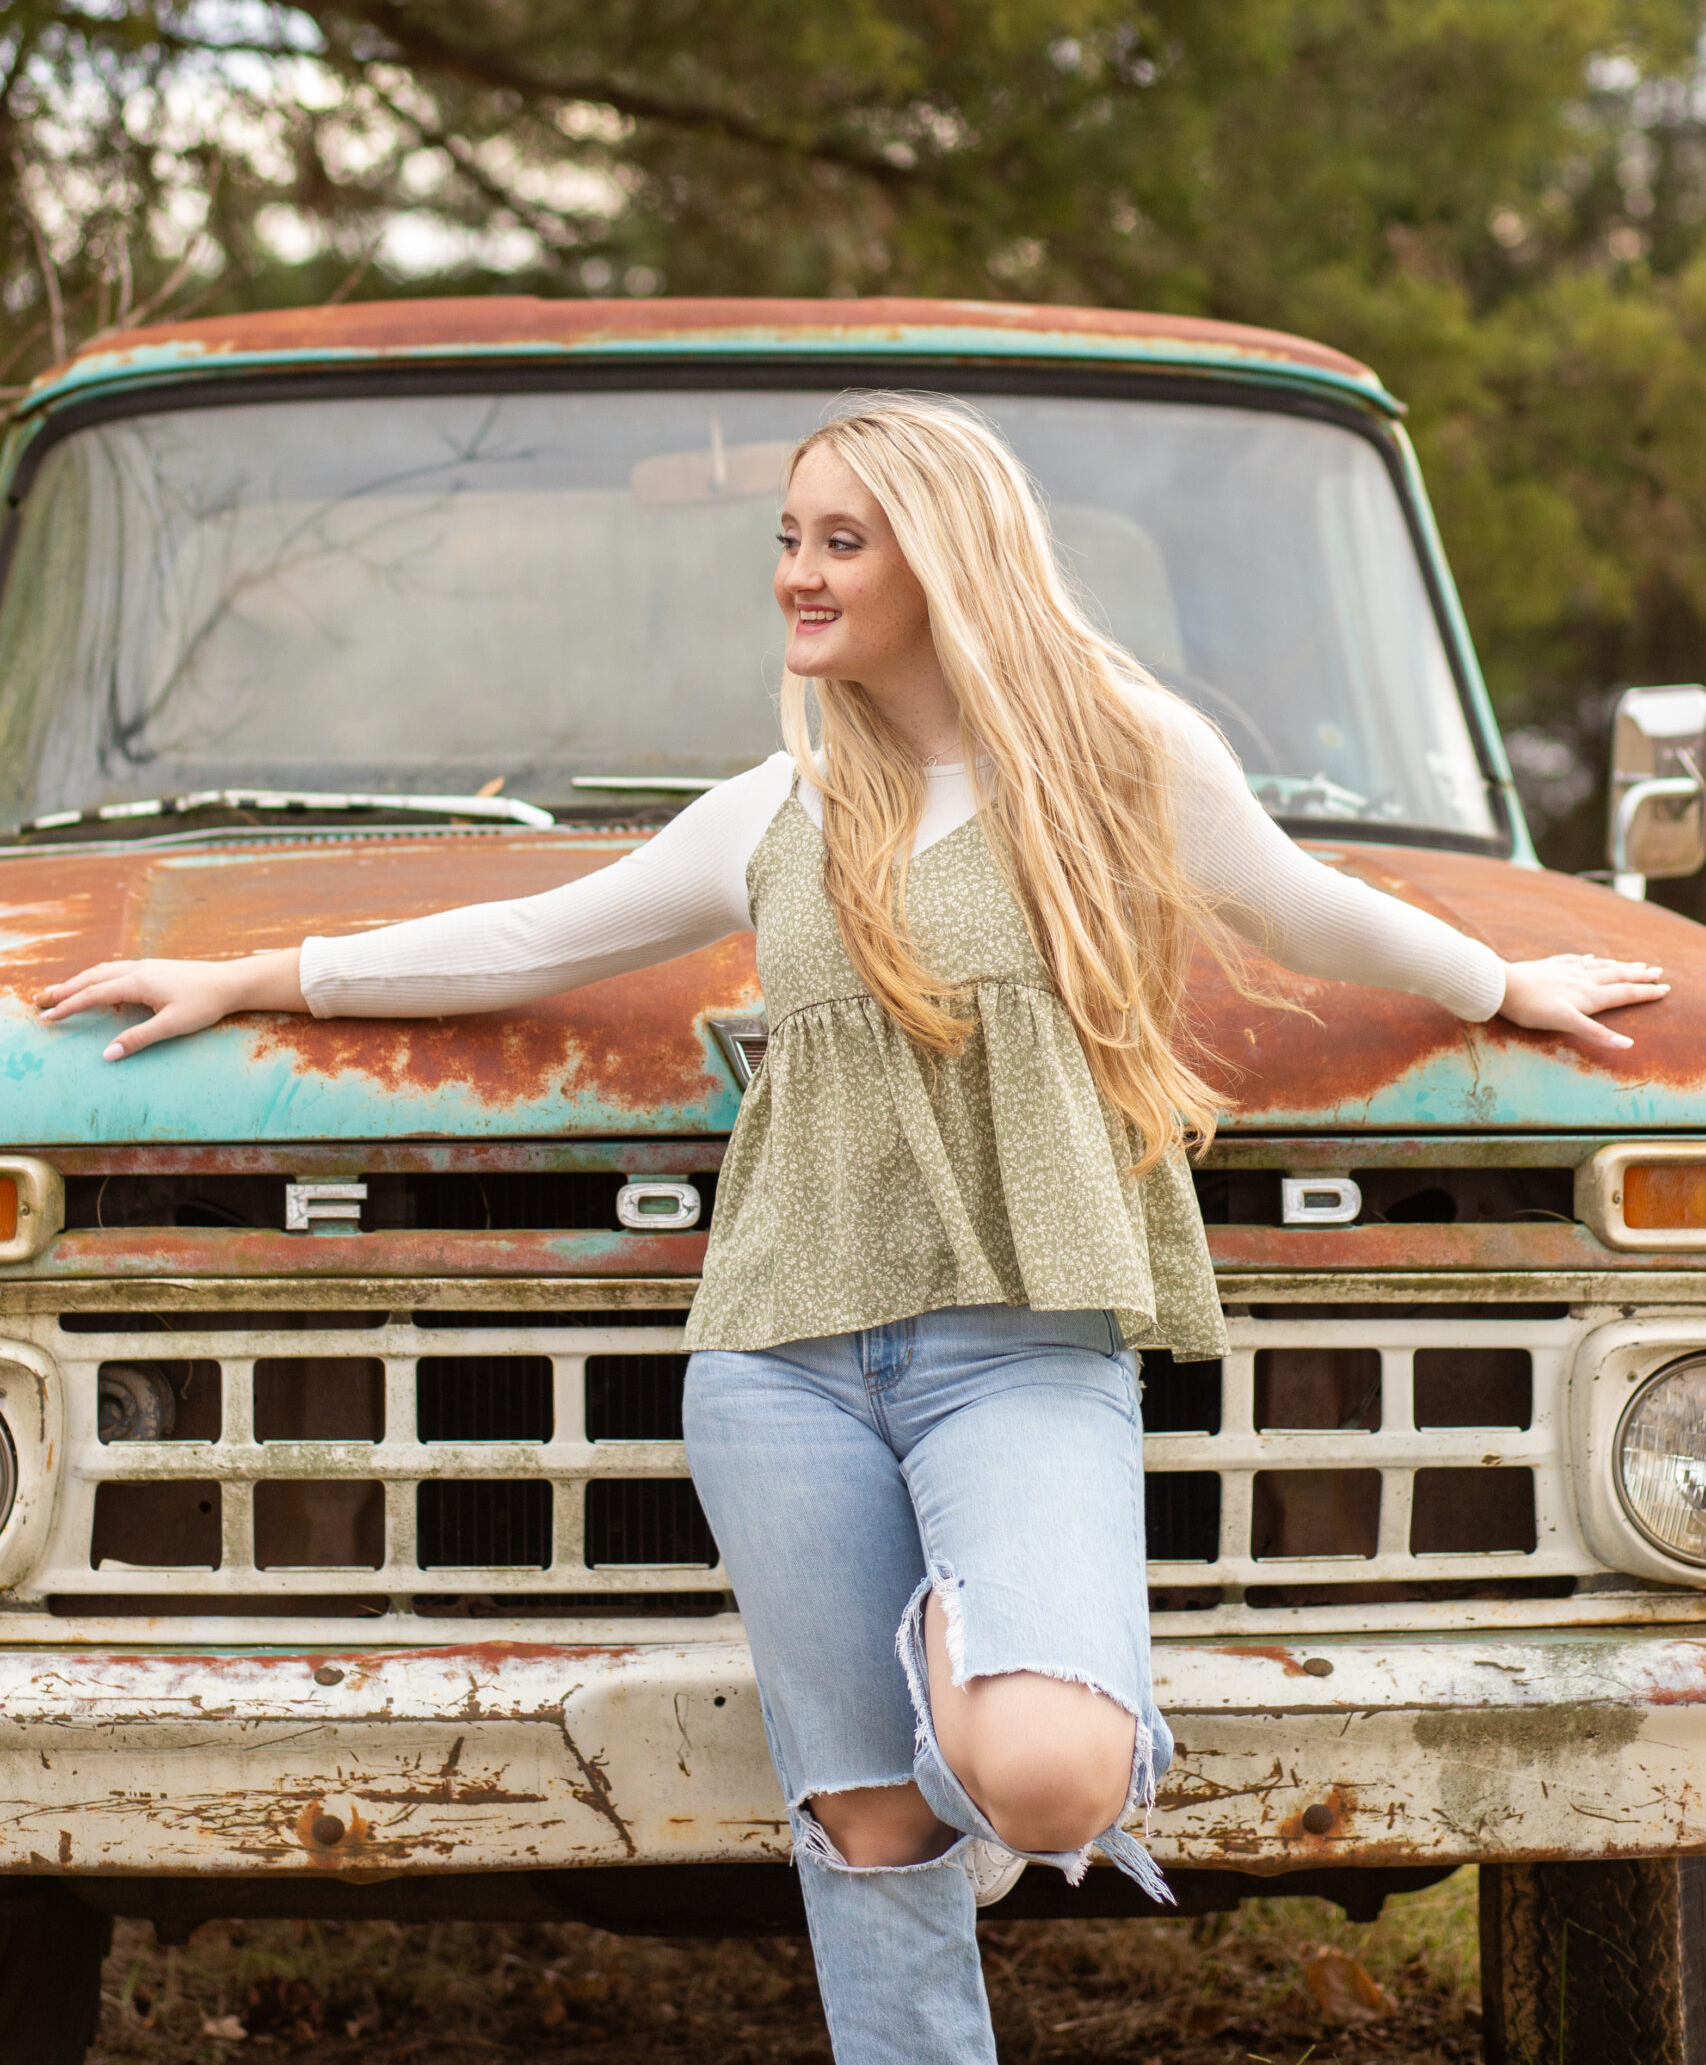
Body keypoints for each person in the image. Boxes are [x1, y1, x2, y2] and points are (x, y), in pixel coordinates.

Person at [40, 396, 1665, 2065]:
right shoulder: (776, 809)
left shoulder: (1113, 764)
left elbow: (1296, 899)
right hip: (777, 1369)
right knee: (871, 1831)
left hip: (1016, 1354)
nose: (796, 578)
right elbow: (521, 940)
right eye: (788, 541)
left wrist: (1497, 983)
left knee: (1045, 1778)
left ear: (943, 559)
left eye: (840, 541)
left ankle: (969, 1656)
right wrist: (250, 974)